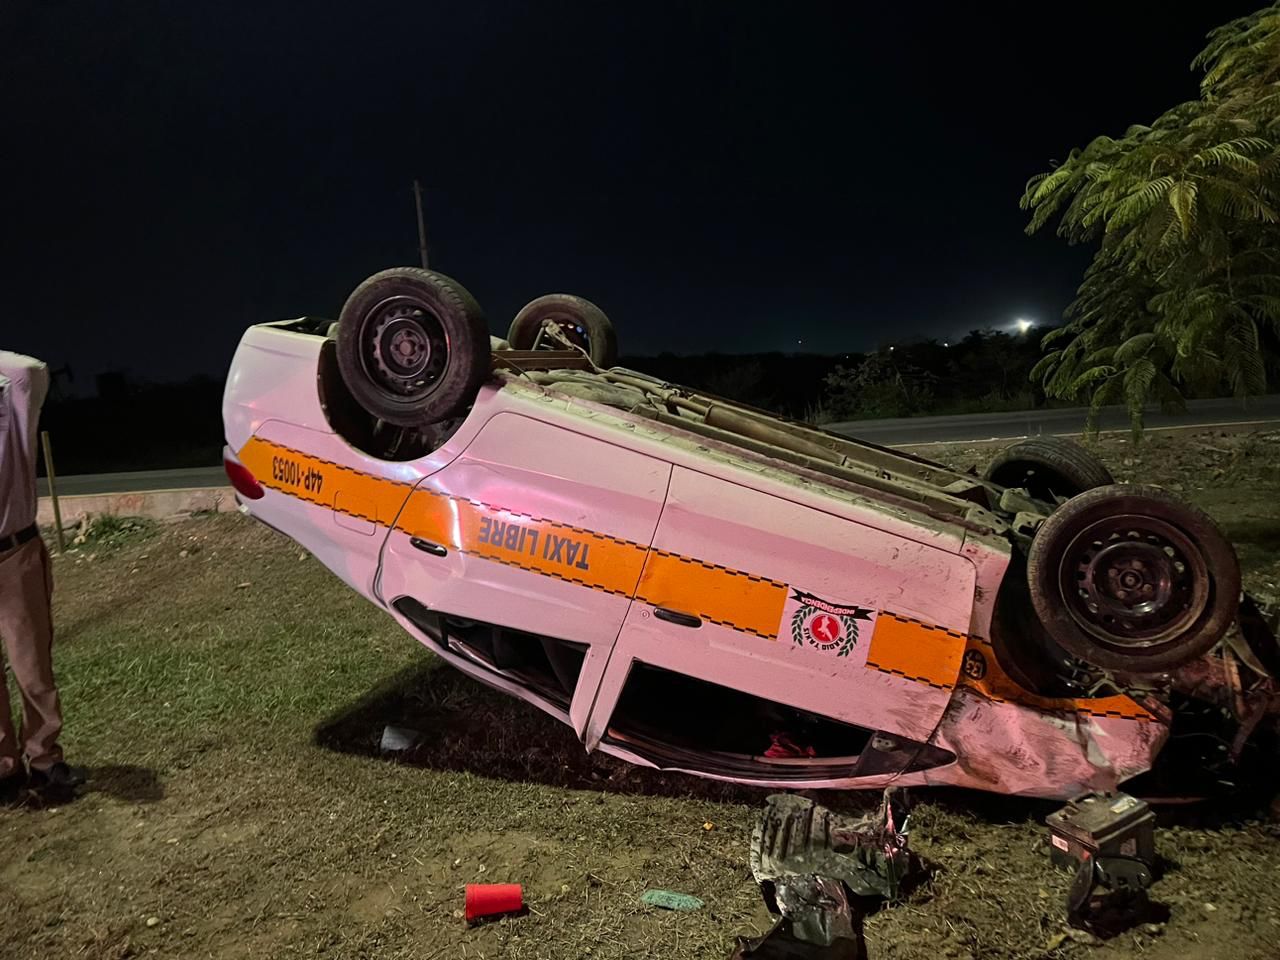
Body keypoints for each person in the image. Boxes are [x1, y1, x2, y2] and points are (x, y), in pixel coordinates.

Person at [0, 350, 82, 803]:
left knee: (32, 669)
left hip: (13, 553)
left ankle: (44, 760)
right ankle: (4, 767)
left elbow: (29, 370)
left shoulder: (10, 404)